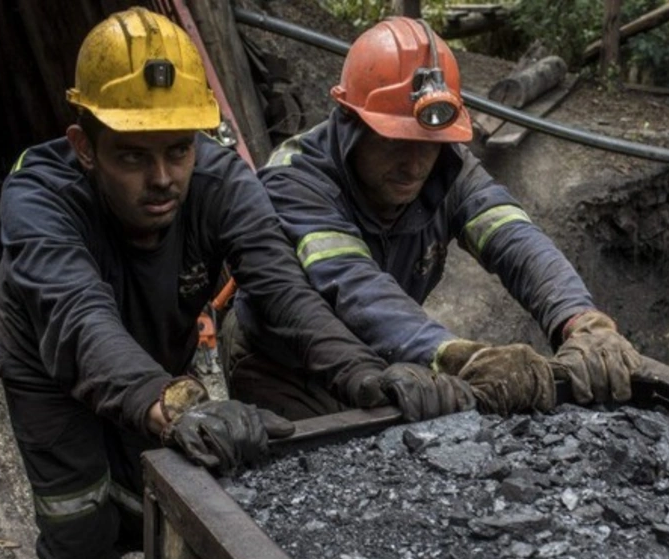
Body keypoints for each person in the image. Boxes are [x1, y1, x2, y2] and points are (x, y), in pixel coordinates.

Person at [0, 7, 469, 559]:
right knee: (78, 511)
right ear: (84, 146)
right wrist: (171, 399)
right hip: (51, 362)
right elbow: (81, 319)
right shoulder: (37, 198)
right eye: (133, 156)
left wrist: (367, 376)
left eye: (177, 151)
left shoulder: (217, 178)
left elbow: (282, 289)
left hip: (157, 343)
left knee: (167, 485)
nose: (162, 179)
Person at [225, 16, 643, 418]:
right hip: (285, 370)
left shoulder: (446, 165)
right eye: (395, 143)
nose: (415, 164)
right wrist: (459, 356)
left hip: (390, 363)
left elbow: (515, 239)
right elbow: (355, 286)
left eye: (429, 144)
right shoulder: (295, 179)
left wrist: (579, 318)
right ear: (351, 122)